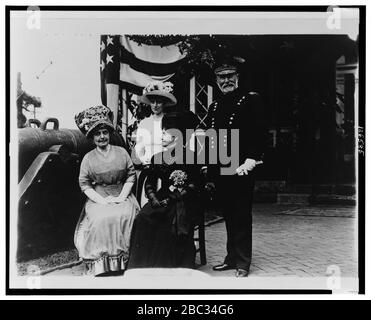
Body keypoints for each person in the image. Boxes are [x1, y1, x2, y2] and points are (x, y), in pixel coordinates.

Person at [203, 55, 267, 277]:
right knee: (229, 214)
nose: (226, 80)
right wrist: (209, 171)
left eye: (230, 76)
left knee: (241, 214)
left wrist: (252, 159)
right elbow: (213, 140)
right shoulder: (214, 106)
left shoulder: (250, 100)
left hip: (241, 167)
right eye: (221, 77)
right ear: (216, 80)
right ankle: (231, 258)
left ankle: (243, 262)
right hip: (222, 168)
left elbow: (260, 132)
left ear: (237, 77)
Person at [127, 111, 202, 269]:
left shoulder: (192, 156)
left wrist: (175, 198)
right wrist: (153, 198)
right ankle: (144, 263)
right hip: (163, 196)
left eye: (165, 132)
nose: (160, 135)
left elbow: (195, 184)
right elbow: (150, 182)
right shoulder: (158, 157)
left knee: (168, 221)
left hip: (184, 200)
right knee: (142, 217)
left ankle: (166, 263)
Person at [74, 105, 140, 276]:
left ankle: (125, 262)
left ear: (109, 134)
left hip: (122, 193)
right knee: (102, 218)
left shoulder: (122, 152)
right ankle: (103, 265)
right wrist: (102, 201)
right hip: (98, 197)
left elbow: (131, 175)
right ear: (92, 137)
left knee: (126, 215)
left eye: (104, 132)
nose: (102, 137)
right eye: (97, 134)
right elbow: (84, 184)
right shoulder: (88, 158)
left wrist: (122, 196)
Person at [134, 81, 177, 165]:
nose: (155, 105)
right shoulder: (144, 123)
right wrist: (142, 159)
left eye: (159, 102)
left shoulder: (170, 122)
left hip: (165, 164)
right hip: (147, 164)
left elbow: (174, 146)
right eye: (153, 102)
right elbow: (139, 147)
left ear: (164, 103)